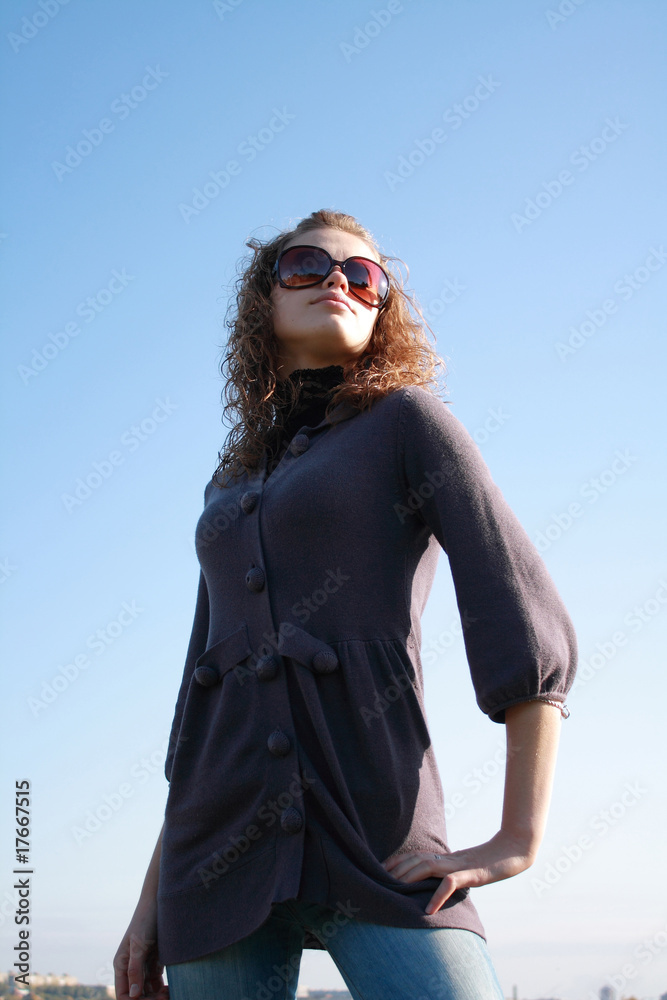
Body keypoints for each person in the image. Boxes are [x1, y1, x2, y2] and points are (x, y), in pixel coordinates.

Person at [113, 209, 577, 1000]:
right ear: (264, 300)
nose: (337, 279)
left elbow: (519, 610)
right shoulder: (226, 488)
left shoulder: (407, 423)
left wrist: (517, 837)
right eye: (307, 265)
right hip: (211, 859)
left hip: (383, 836)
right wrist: (148, 903)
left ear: (379, 308)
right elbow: (202, 697)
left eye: (363, 275)